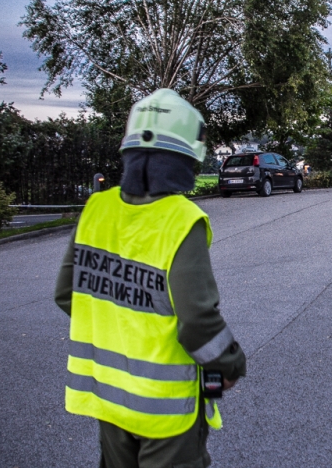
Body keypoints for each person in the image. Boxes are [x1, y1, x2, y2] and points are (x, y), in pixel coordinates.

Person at [54, 88, 246, 468]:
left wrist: (123, 328)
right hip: (165, 411)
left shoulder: (96, 209)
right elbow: (197, 321)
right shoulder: (181, 219)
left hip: (110, 401)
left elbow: (66, 294)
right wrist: (230, 364)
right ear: (186, 157)